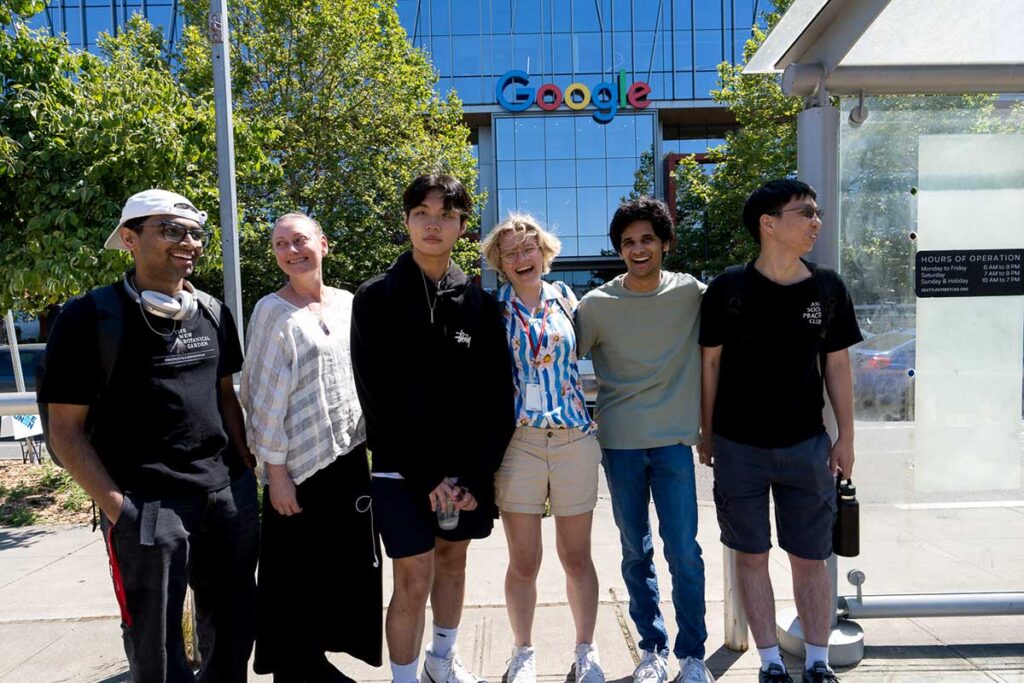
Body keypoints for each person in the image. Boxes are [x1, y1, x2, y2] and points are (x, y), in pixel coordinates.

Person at [37, 189, 259, 682]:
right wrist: (121, 509)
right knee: (155, 650)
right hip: (147, 507)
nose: (188, 242)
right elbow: (65, 431)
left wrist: (244, 471)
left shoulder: (213, 312)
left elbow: (225, 397)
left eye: (195, 232)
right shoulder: (89, 318)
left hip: (226, 499)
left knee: (233, 631)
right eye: (170, 230)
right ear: (130, 239)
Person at [351, 173, 515, 683]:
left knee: (452, 564)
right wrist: (427, 478)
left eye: (446, 214)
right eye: (422, 212)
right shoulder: (375, 297)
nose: (433, 223)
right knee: (412, 575)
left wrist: (472, 476)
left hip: (463, 476)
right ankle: (404, 678)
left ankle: (441, 661)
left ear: (462, 226)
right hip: (402, 474)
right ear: (406, 221)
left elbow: (496, 399)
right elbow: (374, 398)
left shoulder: (480, 304)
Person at [698, 179, 861, 683]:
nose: (816, 221)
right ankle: (770, 663)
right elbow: (710, 366)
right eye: (804, 212)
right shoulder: (728, 289)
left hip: (807, 446)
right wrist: (707, 434)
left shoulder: (827, 287)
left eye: (816, 212)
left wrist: (847, 438)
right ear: (769, 223)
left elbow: (836, 366)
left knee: (811, 559)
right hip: (738, 446)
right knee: (751, 556)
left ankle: (817, 661)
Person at [576, 197, 714, 683]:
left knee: (683, 550)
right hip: (620, 445)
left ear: (665, 244)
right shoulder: (595, 306)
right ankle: (652, 650)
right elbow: (554, 357)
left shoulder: (693, 294)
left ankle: (692, 655)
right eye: (628, 242)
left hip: (676, 443)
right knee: (635, 550)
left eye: (647, 240)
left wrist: (711, 431)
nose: (637, 249)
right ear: (619, 249)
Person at [241, 213, 381, 682]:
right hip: (296, 469)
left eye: (299, 240)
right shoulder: (271, 311)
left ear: (323, 243)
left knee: (341, 573)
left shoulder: (347, 303)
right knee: (293, 580)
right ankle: (297, 669)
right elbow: (260, 399)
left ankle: (317, 664)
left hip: (347, 460)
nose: (291, 250)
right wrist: (275, 472)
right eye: (281, 244)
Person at [479, 214, 604, 683]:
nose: (521, 258)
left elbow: (605, 354)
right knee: (524, 561)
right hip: (520, 443)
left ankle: (585, 651)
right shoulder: (491, 311)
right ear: (499, 263)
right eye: (510, 253)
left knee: (576, 557)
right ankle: (523, 651)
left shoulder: (568, 301)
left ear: (544, 252)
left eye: (528, 248)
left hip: (573, 437)